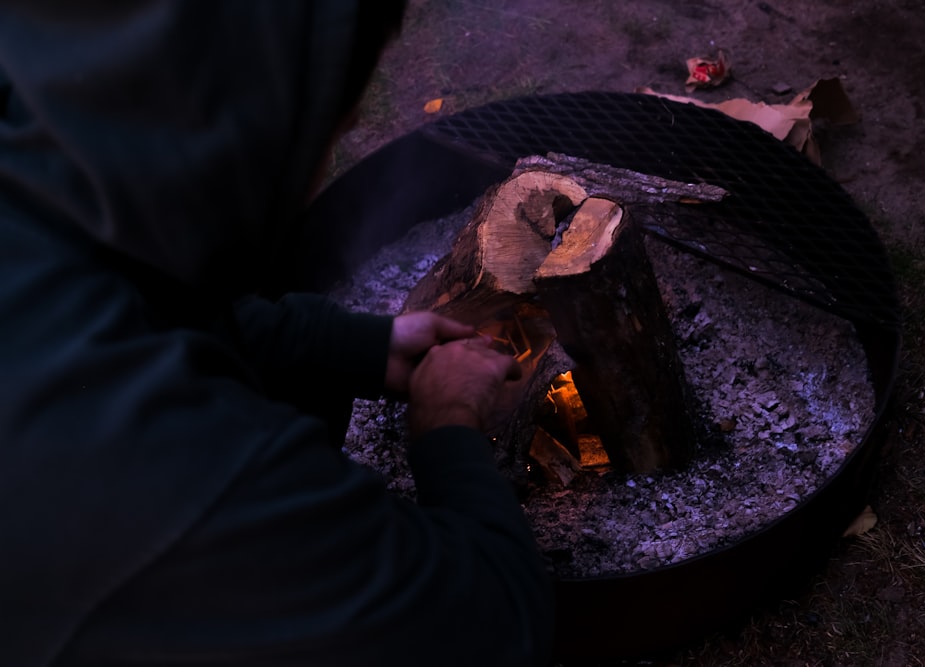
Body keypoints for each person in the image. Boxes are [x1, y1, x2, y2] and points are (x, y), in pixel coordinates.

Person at [0, 2, 555, 665]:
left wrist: (355, 344)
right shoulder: (174, 469)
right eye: (332, 122)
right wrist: (448, 427)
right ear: (251, 129)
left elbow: (140, 307)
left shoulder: (37, 198)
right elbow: (493, 632)